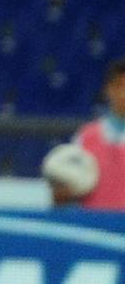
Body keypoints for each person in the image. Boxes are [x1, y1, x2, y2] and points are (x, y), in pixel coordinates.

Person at [46, 59, 125, 210]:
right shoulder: (86, 137)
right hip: (92, 227)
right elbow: (63, 197)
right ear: (107, 89)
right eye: (118, 86)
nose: (123, 94)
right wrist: (61, 192)